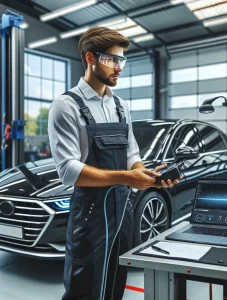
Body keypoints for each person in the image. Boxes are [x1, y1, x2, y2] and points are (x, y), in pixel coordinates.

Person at [48, 27, 181, 300]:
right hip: (90, 214)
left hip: (123, 211)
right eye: (113, 60)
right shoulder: (66, 105)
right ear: (90, 58)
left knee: (115, 284)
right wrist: (127, 178)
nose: (119, 68)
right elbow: (68, 170)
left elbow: (132, 152)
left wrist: (142, 172)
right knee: (84, 288)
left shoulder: (121, 105)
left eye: (122, 61)